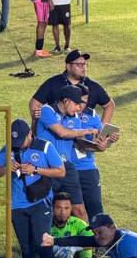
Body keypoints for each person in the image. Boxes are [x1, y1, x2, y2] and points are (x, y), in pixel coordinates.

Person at [0, 118, 65, 258]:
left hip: (40, 203)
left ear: (30, 134)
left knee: (43, 244)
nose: (18, 145)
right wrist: (6, 167)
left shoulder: (45, 147)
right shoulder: (8, 148)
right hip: (17, 206)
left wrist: (36, 170)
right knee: (26, 248)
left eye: (21, 141)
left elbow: (61, 171)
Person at [36, 84, 98, 221]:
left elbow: (78, 139)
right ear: (66, 101)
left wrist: (98, 146)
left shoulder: (73, 116)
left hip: (67, 167)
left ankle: (86, 240)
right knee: (49, 211)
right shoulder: (47, 110)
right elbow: (62, 133)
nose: (78, 108)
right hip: (47, 168)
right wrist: (86, 130)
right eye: (76, 104)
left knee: (79, 210)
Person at [29, 50, 115, 126]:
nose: (84, 67)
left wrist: (102, 129)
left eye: (85, 64)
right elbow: (34, 103)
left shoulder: (93, 86)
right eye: (79, 64)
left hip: (83, 136)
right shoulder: (53, 83)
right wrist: (38, 120)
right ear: (68, 66)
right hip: (58, 133)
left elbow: (109, 105)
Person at [72, 85, 110, 222]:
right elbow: (78, 141)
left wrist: (106, 142)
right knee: (72, 210)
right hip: (67, 168)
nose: (83, 105)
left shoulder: (92, 115)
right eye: (80, 101)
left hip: (87, 168)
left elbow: (100, 139)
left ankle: (99, 241)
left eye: (85, 101)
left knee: (95, 208)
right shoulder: (63, 115)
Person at [50, 192, 93, 258]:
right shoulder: (45, 224)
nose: (62, 212)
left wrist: (74, 248)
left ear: (71, 209)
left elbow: (94, 241)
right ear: (52, 208)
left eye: (66, 208)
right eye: (58, 208)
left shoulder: (77, 223)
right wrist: (56, 250)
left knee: (87, 251)